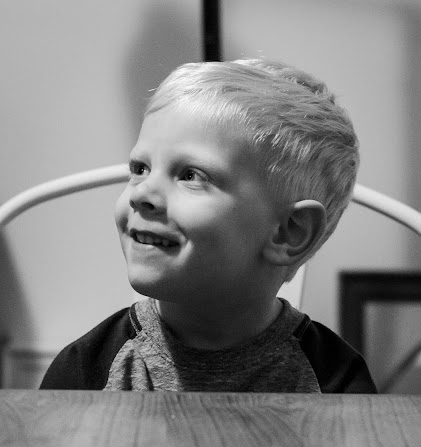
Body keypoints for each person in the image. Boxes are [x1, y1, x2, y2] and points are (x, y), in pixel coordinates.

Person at [40, 59, 377, 393]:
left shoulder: (337, 384)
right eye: (140, 169)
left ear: (288, 232)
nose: (142, 194)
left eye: (191, 175)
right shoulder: (84, 373)